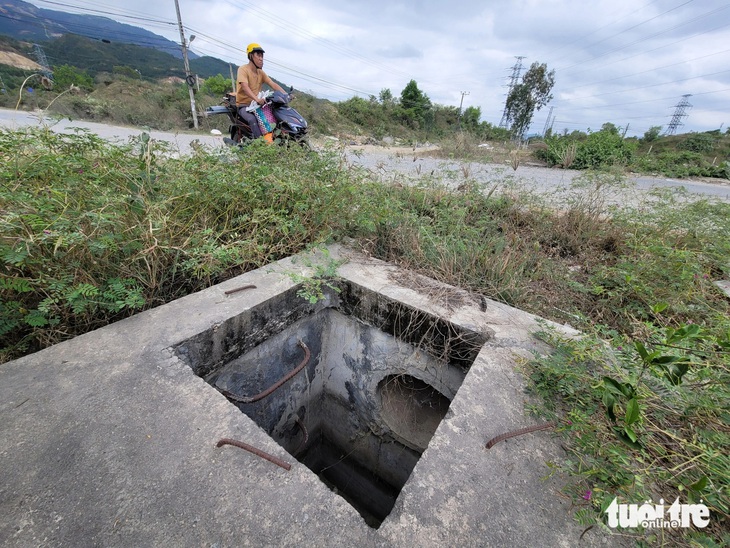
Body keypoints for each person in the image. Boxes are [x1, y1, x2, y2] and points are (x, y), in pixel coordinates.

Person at [236, 43, 288, 139]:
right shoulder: (243, 69)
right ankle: (260, 145)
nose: (261, 58)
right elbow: (245, 87)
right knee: (252, 119)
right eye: (258, 55)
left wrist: (286, 95)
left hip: (258, 105)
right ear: (251, 56)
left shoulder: (260, 72)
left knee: (276, 115)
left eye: (262, 56)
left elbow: (273, 84)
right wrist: (256, 99)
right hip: (244, 106)